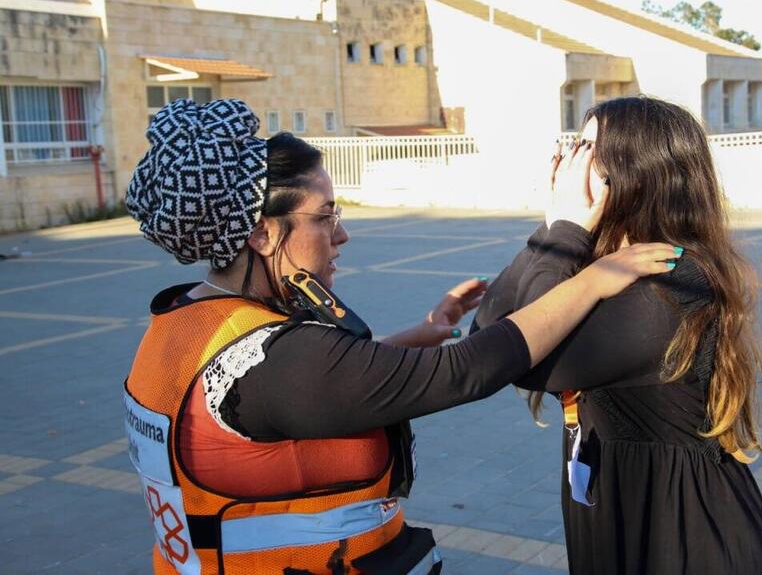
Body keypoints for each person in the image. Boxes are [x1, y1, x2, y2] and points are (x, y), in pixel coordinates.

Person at [121, 98, 678, 575]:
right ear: (265, 234)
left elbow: (318, 388)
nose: (341, 235)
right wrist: (590, 275)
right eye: (325, 216)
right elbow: (467, 373)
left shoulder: (187, 322)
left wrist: (422, 334)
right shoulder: (280, 363)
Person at [473, 96, 762, 574]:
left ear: (638, 170)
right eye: (577, 143)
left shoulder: (676, 278)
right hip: (617, 512)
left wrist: (565, 231)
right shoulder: (603, 265)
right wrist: (553, 229)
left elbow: (521, 358)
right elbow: (486, 334)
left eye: (591, 147)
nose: (571, 161)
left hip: (682, 533)